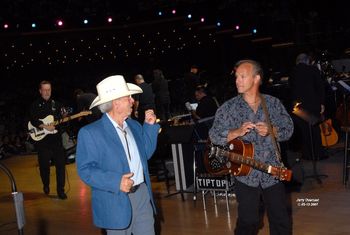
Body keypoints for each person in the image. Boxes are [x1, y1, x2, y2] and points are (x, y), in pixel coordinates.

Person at [209, 60, 293, 234]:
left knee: (281, 221)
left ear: (256, 78)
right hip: (244, 174)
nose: (237, 80)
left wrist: (272, 131)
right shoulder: (228, 108)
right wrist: (236, 132)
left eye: (242, 76)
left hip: (273, 172)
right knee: (248, 222)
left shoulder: (273, 104)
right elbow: (214, 135)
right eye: (237, 77)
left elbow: (289, 130)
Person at [76, 75, 160, 235]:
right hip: (114, 199)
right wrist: (116, 182)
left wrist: (149, 127)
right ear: (115, 102)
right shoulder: (91, 133)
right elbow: (85, 170)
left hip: (142, 195)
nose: (132, 101)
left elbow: (145, 154)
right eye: (128, 97)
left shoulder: (134, 125)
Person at [29, 80, 67, 199]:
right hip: (42, 142)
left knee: (61, 165)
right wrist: (45, 126)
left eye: (48, 89)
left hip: (56, 141)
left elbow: (63, 121)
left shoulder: (57, 104)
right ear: (40, 91)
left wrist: (64, 117)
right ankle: (46, 184)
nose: (47, 92)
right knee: (44, 166)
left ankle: (60, 191)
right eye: (44, 90)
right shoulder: (35, 105)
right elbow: (33, 120)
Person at [289, 53, 327, 160]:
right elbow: (320, 87)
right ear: (307, 61)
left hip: (298, 106)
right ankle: (318, 154)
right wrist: (322, 103)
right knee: (314, 130)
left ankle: (307, 154)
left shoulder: (292, 72)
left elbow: (290, 88)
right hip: (312, 104)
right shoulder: (313, 70)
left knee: (304, 131)